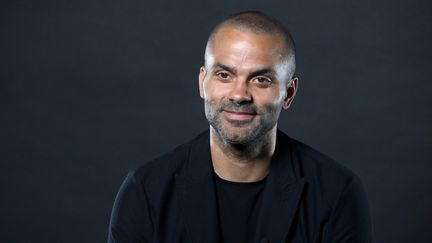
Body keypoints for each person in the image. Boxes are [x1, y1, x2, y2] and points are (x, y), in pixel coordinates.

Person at [107, 11, 372, 243]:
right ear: (202, 82)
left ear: (289, 93)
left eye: (261, 80)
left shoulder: (336, 193)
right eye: (224, 75)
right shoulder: (146, 191)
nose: (239, 94)